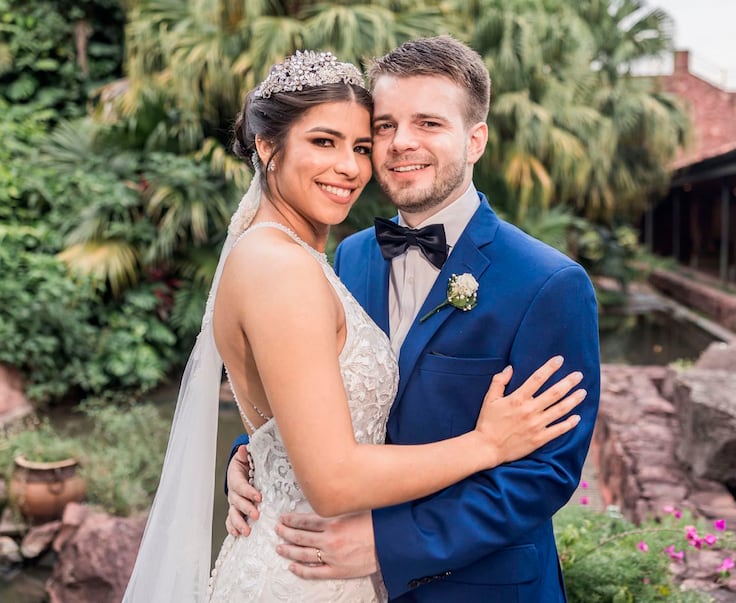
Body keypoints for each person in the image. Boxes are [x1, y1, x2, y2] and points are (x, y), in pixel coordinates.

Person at [123, 50, 586, 602]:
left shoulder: (549, 282)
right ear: (267, 147)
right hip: (316, 568)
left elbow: (546, 472)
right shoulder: (351, 257)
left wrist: (392, 545)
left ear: (475, 140)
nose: (400, 143)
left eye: (428, 123)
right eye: (384, 127)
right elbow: (319, 406)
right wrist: (255, 456)